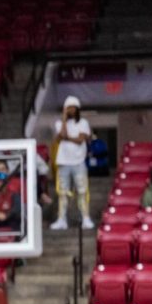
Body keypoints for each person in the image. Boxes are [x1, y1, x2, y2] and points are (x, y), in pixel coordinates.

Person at [50, 95, 94, 230]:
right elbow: (61, 135)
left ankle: (85, 218)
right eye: (68, 108)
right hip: (63, 162)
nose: (71, 111)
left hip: (79, 162)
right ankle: (62, 220)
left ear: (77, 109)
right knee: (62, 192)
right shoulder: (59, 123)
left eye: (73, 108)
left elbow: (81, 140)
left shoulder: (83, 123)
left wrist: (66, 138)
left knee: (82, 191)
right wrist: (64, 118)